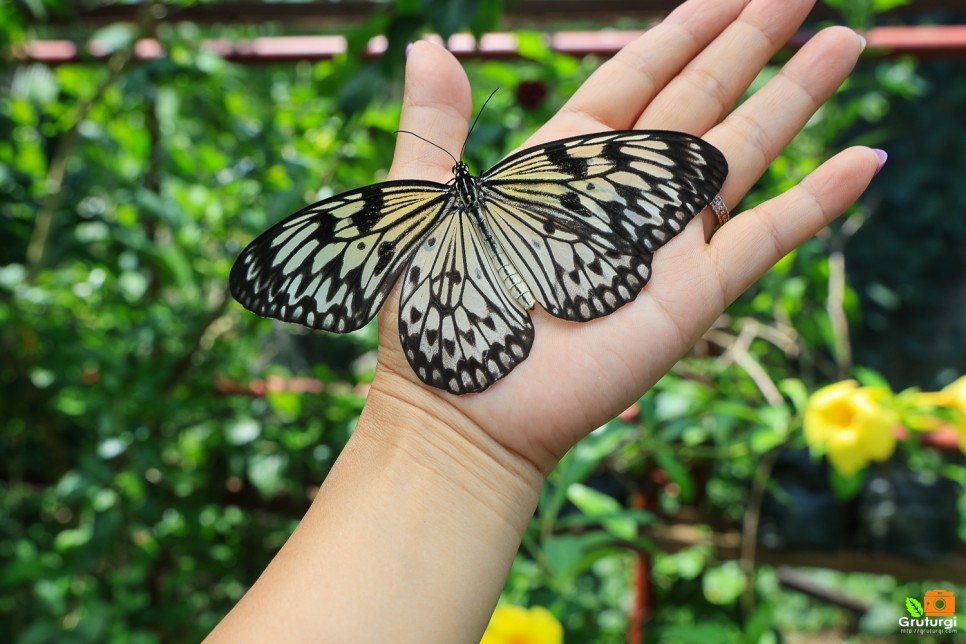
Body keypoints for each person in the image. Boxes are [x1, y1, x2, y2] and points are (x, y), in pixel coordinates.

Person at [207, 0, 884, 640]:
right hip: (518, 262)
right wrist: (448, 437)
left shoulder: (426, 201)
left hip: (470, 286)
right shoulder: (492, 184)